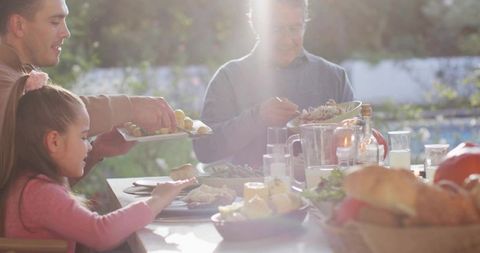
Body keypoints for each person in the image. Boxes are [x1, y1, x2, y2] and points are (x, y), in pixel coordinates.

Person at [0, 72, 197, 253]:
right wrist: (156, 199)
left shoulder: (29, 182)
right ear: (54, 141)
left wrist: (99, 149)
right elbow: (101, 233)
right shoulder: (40, 193)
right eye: (83, 137)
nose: (88, 146)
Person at [0, 0, 177, 180]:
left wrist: (95, 151)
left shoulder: (18, 73)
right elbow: (54, 115)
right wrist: (130, 107)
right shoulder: (7, 83)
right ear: (19, 25)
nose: (66, 32)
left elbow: (42, 195)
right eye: (54, 22)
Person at [193, 0, 354, 168]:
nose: (286, 40)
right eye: (275, 29)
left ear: (304, 25)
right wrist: (257, 117)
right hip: (250, 191)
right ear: (256, 25)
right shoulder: (228, 77)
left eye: (294, 29)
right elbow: (204, 150)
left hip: (320, 190)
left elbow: (356, 144)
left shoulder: (334, 77)